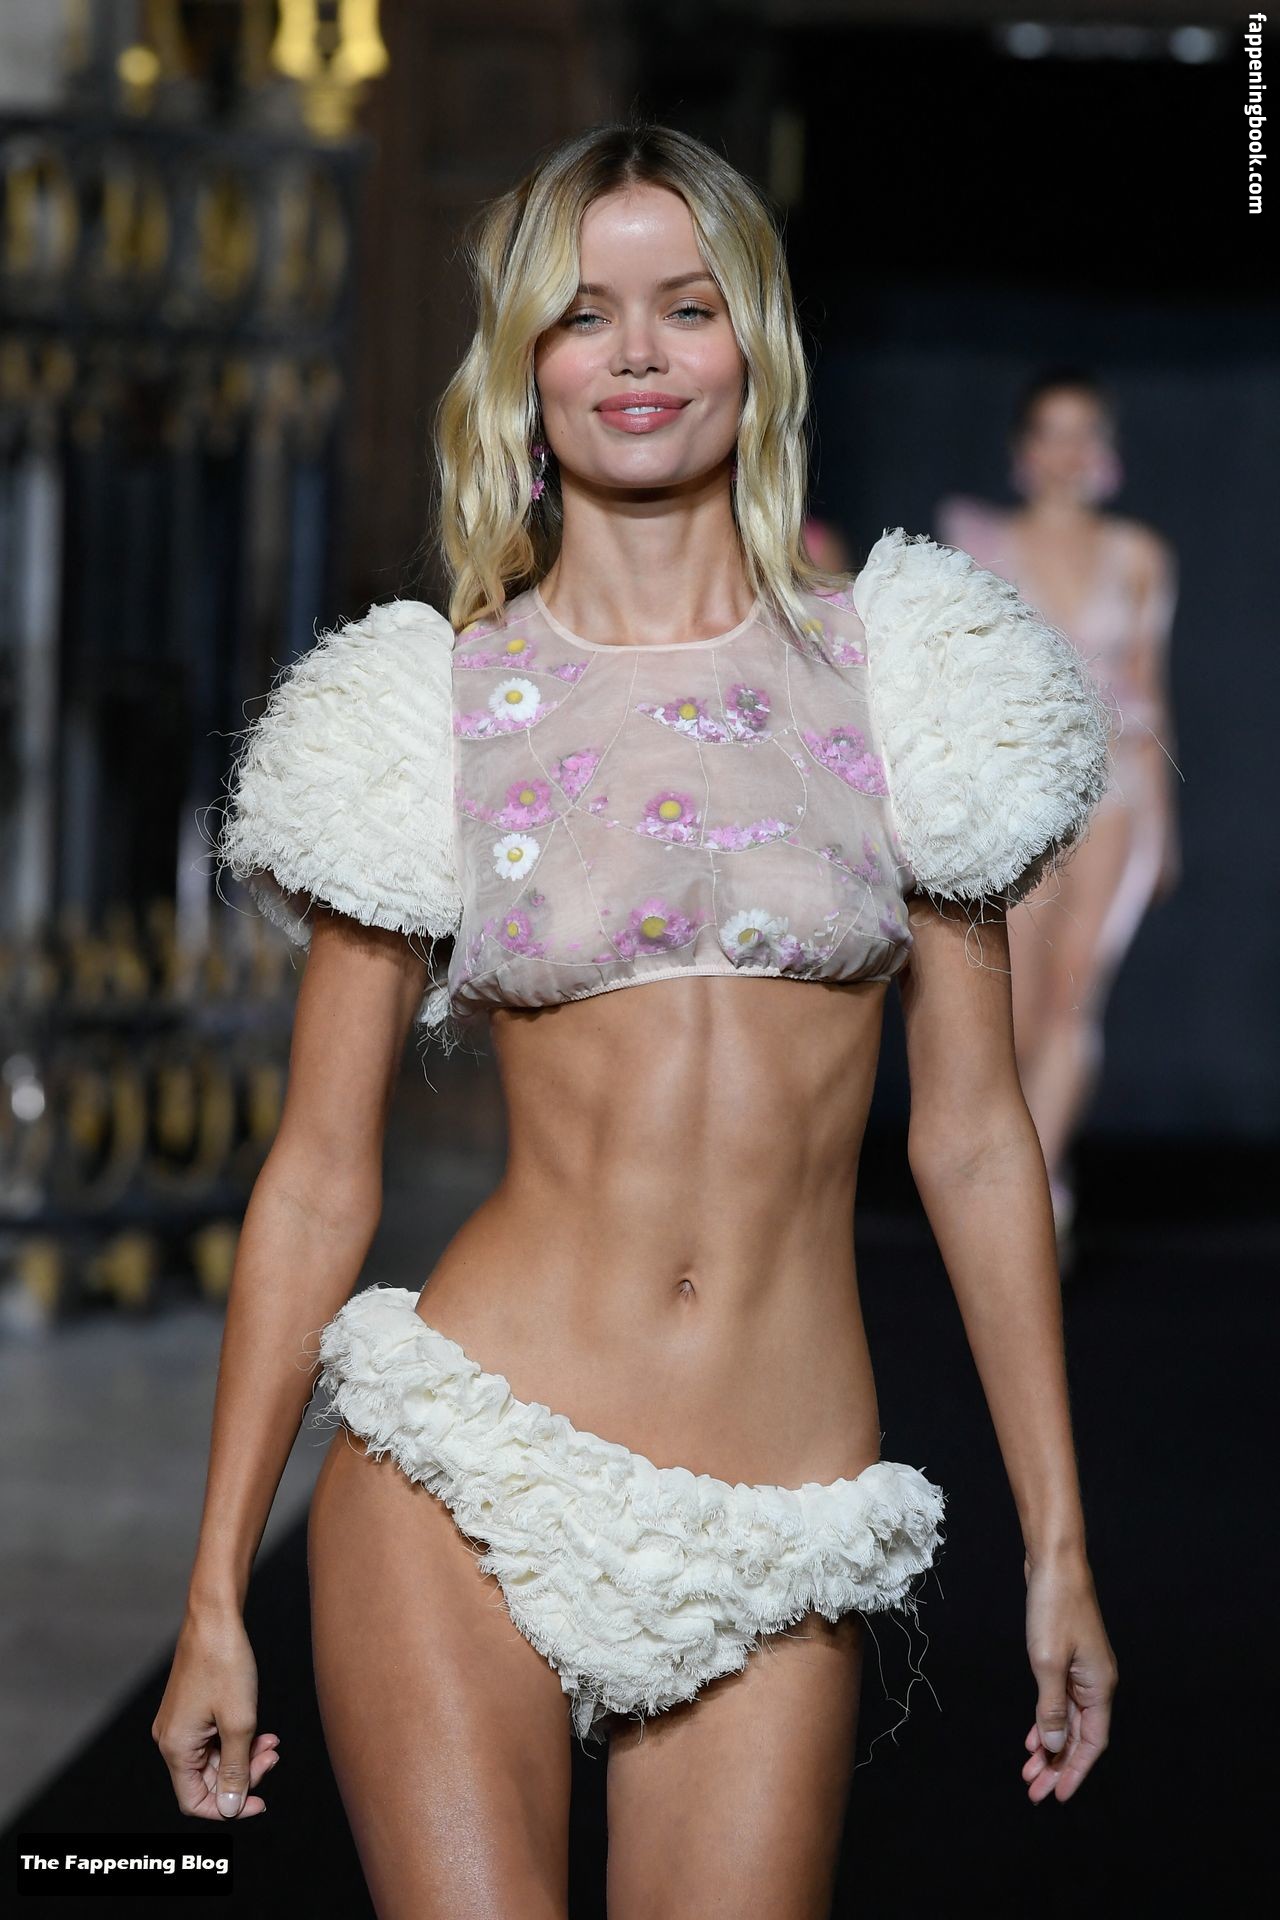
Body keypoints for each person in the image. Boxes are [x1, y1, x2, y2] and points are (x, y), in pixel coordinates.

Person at [154, 122, 1119, 1918]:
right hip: (470, 1466)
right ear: (524, 365)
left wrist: (1059, 1540)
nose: (639, 354)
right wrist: (214, 1589)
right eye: (585, 314)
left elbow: (977, 1141)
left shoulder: (909, 679)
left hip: (780, 1508)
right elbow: (318, 1174)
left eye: (686, 305)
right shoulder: (432, 707)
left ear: (755, 341)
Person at [937, 370, 1181, 1261]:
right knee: (1022, 1005)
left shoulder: (1139, 552)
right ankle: (1031, 1181)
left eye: (1085, 432)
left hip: (1118, 797)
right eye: (1051, 431)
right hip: (1022, 798)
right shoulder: (979, 544)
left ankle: (1032, 1196)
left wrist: (1165, 827)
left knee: (1077, 993)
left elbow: (1151, 691)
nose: (1067, 451)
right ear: (1023, 447)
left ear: (1105, 449)